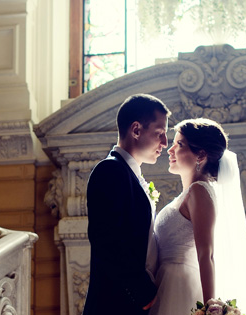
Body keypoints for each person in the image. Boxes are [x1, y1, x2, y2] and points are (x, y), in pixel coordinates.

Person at [149, 118, 246, 315]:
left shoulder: (200, 191)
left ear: (200, 154)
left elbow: (206, 254)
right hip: (166, 282)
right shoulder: (190, 192)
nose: (170, 150)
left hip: (179, 287)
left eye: (179, 144)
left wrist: (210, 307)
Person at [83, 94, 170, 315]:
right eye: (160, 133)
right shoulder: (110, 170)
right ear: (136, 130)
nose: (165, 143)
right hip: (115, 304)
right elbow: (107, 240)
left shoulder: (129, 174)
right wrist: (142, 292)